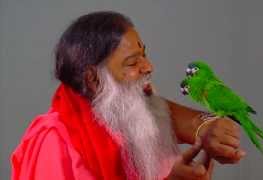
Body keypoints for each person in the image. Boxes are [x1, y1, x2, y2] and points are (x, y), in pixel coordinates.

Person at [11, 11, 246, 180]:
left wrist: (210, 128)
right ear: (94, 79)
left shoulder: (132, 109)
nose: (149, 67)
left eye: (144, 54)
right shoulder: (52, 139)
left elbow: (186, 120)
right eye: (132, 62)